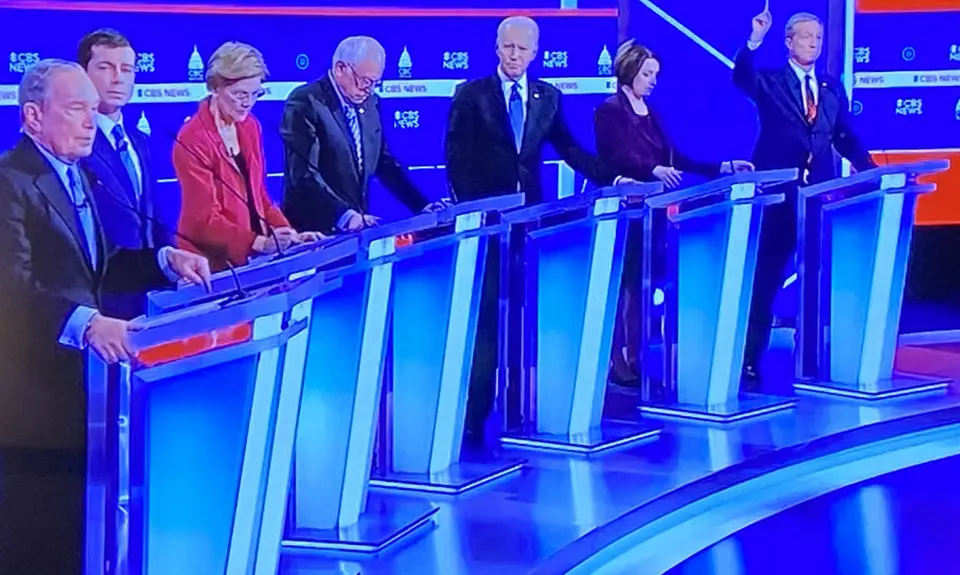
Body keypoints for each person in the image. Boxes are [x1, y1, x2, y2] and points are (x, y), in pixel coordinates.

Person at [0, 59, 210, 569]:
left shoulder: (79, 175)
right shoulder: (10, 180)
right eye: (76, 108)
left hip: (83, 393)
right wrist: (86, 323)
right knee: (36, 538)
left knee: (75, 537)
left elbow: (100, 267)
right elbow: (10, 286)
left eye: (93, 109)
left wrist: (165, 260)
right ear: (32, 116)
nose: (91, 120)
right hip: (32, 403)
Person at [445, 16, 631, 443]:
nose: (513, 56)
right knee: (488, 317)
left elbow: (571, 150)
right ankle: (476, 413)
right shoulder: (470, 96)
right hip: (487, 226)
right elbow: (456, 160)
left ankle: (527, 404)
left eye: (522, 49)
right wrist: (478, 210)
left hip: (532, 227)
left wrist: (614, 179)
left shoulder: (548, 97)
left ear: (535, 53)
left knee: (532, 314)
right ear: (496, 48)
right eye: (507, 48)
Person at [594, 40, 752, 386]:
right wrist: (651, 171)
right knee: (623, 284)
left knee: (641, 284)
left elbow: (673, 157)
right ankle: (615, 358)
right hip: (626, 210)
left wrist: (721, 167)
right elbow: (613, 155)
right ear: (630, 70)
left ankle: (636, 355)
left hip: (654, 211)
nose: (652, 80)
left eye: (655, 75)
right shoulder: (609, 110)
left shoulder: (652, 112)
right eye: (648, 73)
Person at [733, 6, 875, 390]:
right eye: (806, 36)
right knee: (766, 278)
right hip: (779, 198)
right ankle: (748, 359)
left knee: (816, 275)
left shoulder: (830, 87)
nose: (813, 43)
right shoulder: (770, 81)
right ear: (789, 41)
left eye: (818, 38)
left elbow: (843, 135)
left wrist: (870, 169)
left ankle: (809, 355)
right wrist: (754, 39)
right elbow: (741, 76)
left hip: (818, 197)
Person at [174, 41, 320, 271]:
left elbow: (259, 197)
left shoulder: (250, 127)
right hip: (208, 266)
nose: (248, 103)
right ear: (215, 87)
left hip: (252, 260)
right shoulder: (193, 138)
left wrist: (289, 236)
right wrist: (258, 243)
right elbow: (202, 220)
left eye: (255, 94)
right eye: (240, 94)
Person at [281, 36, 433, 233]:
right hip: (313, 231)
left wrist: (421, 205)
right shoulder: (306, 102)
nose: (368, 89)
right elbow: (304, 175)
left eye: (375, 83)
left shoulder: (371, 103)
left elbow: (384, 162)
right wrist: (345, 215)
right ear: (340, 68)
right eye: (364, 80)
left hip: (357, 232)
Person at [78, 28, 170, 318]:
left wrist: (170, 261)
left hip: (149, 295)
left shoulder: (139, 141)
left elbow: (153, 215)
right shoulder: (74, 143)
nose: (118, 78)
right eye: (105, 67)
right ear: (83, 74)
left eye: (126, 69)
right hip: (102, 298)